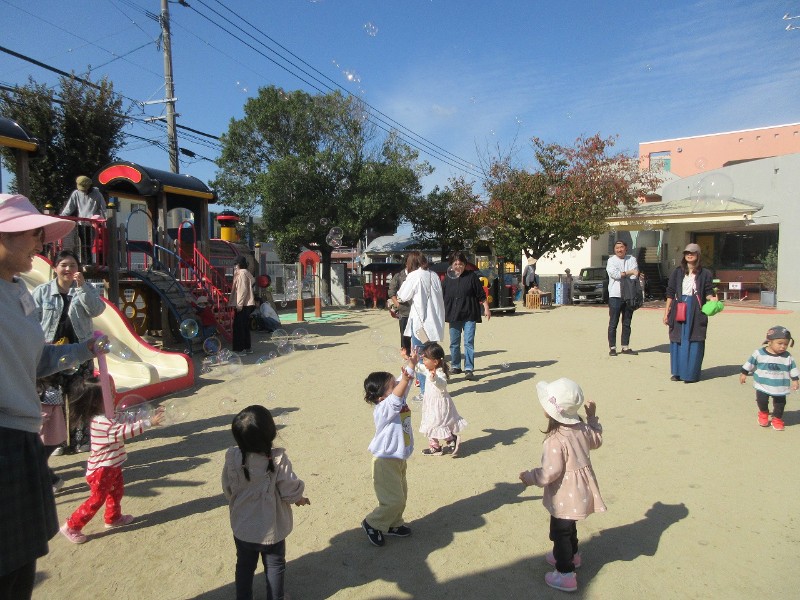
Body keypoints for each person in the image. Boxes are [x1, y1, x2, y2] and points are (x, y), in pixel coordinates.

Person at [0, 193, 101, 598]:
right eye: (32, 233)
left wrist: (83, 349)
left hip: (21, 437)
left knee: (22, 565)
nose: (40, 243)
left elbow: (37, 358)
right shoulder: (35, 293)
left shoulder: (18, 292)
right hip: (3, 437)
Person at [519, 378, 606, 593]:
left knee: (560, 533)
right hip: (580, 491)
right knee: (568, 527)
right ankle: (572, 555)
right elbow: (597, 440)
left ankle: (565, 573)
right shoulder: (582, 428)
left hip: (564, 494)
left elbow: (549, 473)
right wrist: (592, 418)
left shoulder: (555, 440)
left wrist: (529, 477)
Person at [60, 378, 164, 544]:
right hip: (101, 470)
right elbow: (123, 431)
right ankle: (71, 526)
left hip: (112, 466)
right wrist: (148, 423)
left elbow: (127, 418)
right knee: (96, 499)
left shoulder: (109, 415)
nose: (113, 395)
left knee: (116, 492)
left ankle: (113, 517)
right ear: (95, 402)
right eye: (108, 394)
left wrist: (149, 414)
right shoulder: (100, 422)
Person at [222, 405, 310, 600]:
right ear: (271, 432)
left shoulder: (233, 458)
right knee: (275, 566)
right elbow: (289, 489)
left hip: (243, 527)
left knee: (244, 566)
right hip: (272, 530)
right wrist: (299, 498)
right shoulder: (278, 459)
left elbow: (228, 488)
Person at [32, 249, 106, 452]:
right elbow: (31, 320)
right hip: (52, 353)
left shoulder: (84, 289)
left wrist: (82, 287)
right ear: (55, 268)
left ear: (78, 269)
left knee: (81, 396)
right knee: (52, 399)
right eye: (63, 265)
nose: (68, 269)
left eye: (72, 265)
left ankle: (80, 440)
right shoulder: (42, 292)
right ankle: (57, 441)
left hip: (81, 351)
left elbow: (97, 310)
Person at [361, 354, 417, 547]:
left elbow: (404, 384)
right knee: (393, 500)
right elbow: (399, 392)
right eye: (393, 385)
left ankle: (393, 524)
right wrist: (405, 380)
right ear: (381, 397)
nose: (399, 385)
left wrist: (411, 364)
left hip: (398, 458)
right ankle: (372, 523)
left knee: (401, 496)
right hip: (384, 461)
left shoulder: (397, 399)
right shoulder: (383, 408)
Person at [663, 243, 717, 383]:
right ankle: (677, 372)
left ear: (698, 255)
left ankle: (690, 374)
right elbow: (670, 292)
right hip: (679, 307)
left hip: (696, 309)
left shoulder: (705, 273)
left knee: (694, 340)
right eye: (687, 253)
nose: (689, 255)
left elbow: (708, 291)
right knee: (677, 339)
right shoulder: (677, 272)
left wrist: (712, 299)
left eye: (692, 253)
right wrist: (666, 312)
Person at [396, 251, 445, 396]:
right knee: (432, 356)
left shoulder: (414, 275)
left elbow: (402, 295)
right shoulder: (434, 275)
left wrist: (407, 276)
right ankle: (433, 387)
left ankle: (424, 392)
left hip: (420, 324)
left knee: (420, 357)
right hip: (434, 323)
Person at [740, 326, 799, 431]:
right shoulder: (759, 353)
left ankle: (777, 419)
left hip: (780, 386)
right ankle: (763, 413)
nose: (783, 347)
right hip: (762, 384)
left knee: (780, 404)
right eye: (780, 343)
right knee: (762, 401)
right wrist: (744, 373)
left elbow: (793, 368)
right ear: (770, 342)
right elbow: (750, 363)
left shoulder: (787, 357)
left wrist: (795, 380)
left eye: (786, 344)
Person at [442, 252, 490, 380]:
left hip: (469, 314)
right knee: (454, 342)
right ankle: (456, 366)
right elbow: (441, 295)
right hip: (454, 315)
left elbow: (481, 294)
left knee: (468, 342)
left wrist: (486, 308)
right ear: (451, 265)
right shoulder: (447, 278)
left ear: (465, 264)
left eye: (461, 264)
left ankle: (469, 368)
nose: (458, 266)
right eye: (455, 264)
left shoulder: (472, 276)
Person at [417, 342, 467, 457]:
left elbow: (442, 384)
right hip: (430, 404)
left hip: (439, 405)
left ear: (435, 362)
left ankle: (451, 439)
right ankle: (435, 446)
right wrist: (411, 360)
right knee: (430, 423)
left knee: (439, 423)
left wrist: (434, 378)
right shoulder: (428, 369)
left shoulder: (439, 373)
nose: (423, 362)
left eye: (425, 359)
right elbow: (418, 367)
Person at [60, 176, 106, 263]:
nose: (83, 190)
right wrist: (61, 217)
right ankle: (84, 262)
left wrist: (105, 222)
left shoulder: (97, 194)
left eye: (85, 188)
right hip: (81, 223)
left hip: (92, 224)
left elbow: (103, 209)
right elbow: (69, 208)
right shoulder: (76, 193)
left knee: (89, 244)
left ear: (90, 186)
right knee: (81, 244)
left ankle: (89, 262)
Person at [605, 240, 640, 356]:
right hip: (615, 295)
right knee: (613, 322)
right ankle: (612, 348)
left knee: (627, 322)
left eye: (621, 247)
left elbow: (635, 275)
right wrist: (629, 272)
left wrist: (625, 274)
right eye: (617, 248)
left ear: (626, 248)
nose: (619, 250)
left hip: (629, 295)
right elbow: (614, 275)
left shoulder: (632, 259)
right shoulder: (611, 260)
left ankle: (625, 347)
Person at [37, 374, 68, 493]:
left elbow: (43, 416)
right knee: (39, 461)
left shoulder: (46, 394)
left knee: (38, 461)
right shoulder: (50, 391)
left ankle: (55, 481)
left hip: (48, 438)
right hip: (52, 437)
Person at [229, 256, 255, 355]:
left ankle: (240, 349)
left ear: (239, 264)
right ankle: (247, 348)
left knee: (238, 327)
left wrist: (239, 304)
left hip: (242, 304)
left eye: (236, 264)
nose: (234, 266)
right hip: (247, 304)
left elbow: (242, 290)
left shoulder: (241, 273)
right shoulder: (246, 272)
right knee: (244, 327)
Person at [387, 265, 412, 357]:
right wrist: (397, 304)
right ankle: (405, 351)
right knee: (404, 332)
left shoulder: (417, 275)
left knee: (418, 332)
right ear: (406, 264)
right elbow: (391, 291)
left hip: (416, 310)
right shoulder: (399, 276)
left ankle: (419, 353)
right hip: (403, 310)